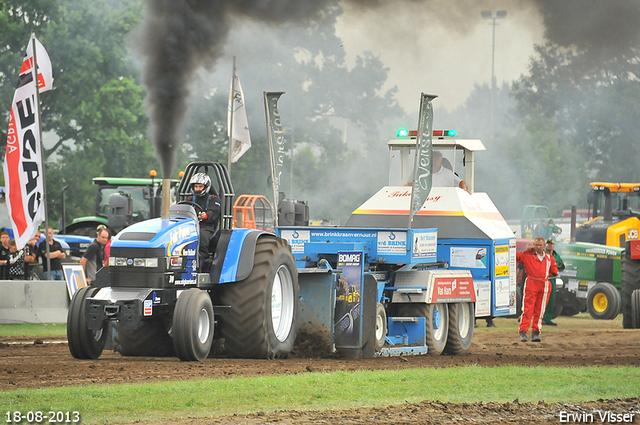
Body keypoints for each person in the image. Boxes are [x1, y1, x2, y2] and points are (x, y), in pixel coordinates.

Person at [516, 236, 558, 342]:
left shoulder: (549, 258)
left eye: (540, 245)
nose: (538, 247)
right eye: (536, 245)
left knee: (540, 310)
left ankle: (536, 332)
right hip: (531, 283)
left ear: (544, 246)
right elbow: (516, 256)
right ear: (534, 245)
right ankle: (523, 332)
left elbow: (554, 271)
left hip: (544, 284)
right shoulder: (527, 255)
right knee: (527, 309)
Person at [187, 173, 221, 272]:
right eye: (196, 186)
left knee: (201, 237)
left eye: (200, 186)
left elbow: (214, 212)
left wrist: (206, 215)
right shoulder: (189, 199)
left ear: (206, 187)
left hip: (206, 226)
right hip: (190, 226)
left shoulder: (213, 199)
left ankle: (201, 264)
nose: (198, 189)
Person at [542, 238, 565, 327]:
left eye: (551, 244)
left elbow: (562, 266)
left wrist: (556, 268)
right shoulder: (543, 254)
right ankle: (542, 318)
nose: (549, 245)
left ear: (553, 245)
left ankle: (548, 318)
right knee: (544, 299)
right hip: (544, 279)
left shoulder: (557, 256)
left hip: (553, 279)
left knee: (551, 300)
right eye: (548, 244)